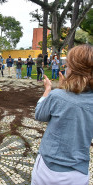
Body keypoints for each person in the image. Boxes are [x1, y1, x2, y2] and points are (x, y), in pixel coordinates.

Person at [31, 44, 93, 185]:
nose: (65, 68)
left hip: (47, 169)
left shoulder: (57, 96)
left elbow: (40, 114)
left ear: (73, 69)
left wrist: (48, 90)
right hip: (78, 173)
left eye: (67, 65)